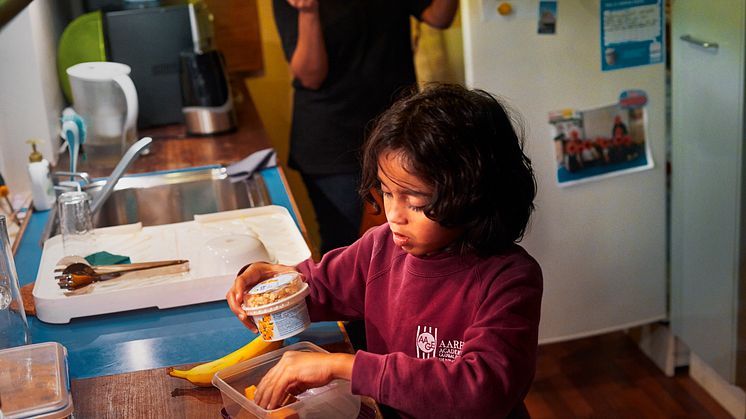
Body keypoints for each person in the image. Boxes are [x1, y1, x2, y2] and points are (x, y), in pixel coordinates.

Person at [227, 84, 543, 418]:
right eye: (388, 193)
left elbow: (481, 391)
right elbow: (318, 288)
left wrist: (341, 366)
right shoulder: (380, 248)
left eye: (416, 201)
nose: (394, 215)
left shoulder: (510, 280)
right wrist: (269, 293)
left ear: (474, 195)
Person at [272, 0, 459, 255]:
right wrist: (308, 11)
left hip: (396, 132)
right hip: (332, 140)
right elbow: (311, 76)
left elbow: (438, 16)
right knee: (346, 245)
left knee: (420, 235)